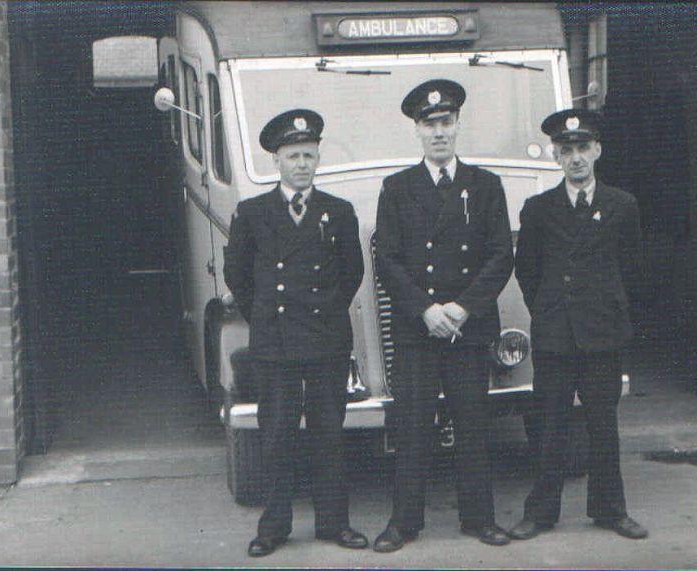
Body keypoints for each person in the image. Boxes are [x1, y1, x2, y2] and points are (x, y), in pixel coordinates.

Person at [372, 79, 514, 553]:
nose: (439, 133)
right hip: (418, 330)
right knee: (412, 429)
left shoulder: (486, 186)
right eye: (429, 124)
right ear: (416, 130)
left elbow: (500, 256)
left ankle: (480, 519)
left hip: (467, 330)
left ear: (457, 126)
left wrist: (461, 307)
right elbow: (387, 261)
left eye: (446, 123)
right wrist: (426, 310)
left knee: (473, 426)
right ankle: (403, 523)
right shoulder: (397, 189)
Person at [223, 109, 368, 557]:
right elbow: (238, 278)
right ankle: (275, 526)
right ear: (276, 161)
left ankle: (333, 522)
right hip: (276, 344)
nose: (302, 163)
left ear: (318, 158)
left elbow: (352, 274)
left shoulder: (338, 212)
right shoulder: (252, 213)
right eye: (293, 155)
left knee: (329, 434)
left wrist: (322, 315)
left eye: (309, 154)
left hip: (325, 340)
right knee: (277, 436)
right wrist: (266, 317)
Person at [509, 108, 648, 541]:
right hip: (555, 336)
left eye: (583, 148)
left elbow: (634, 269)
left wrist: (613, 312)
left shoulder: (622, 205)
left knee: (603, 426)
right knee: (550, 426)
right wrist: (549, 312)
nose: (576, 158)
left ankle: (610, 509)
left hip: (602, 334)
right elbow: (527, 271)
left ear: (597, 151)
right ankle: (541, 513)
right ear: (555, 155)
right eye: (566, 150)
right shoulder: (538, 208)